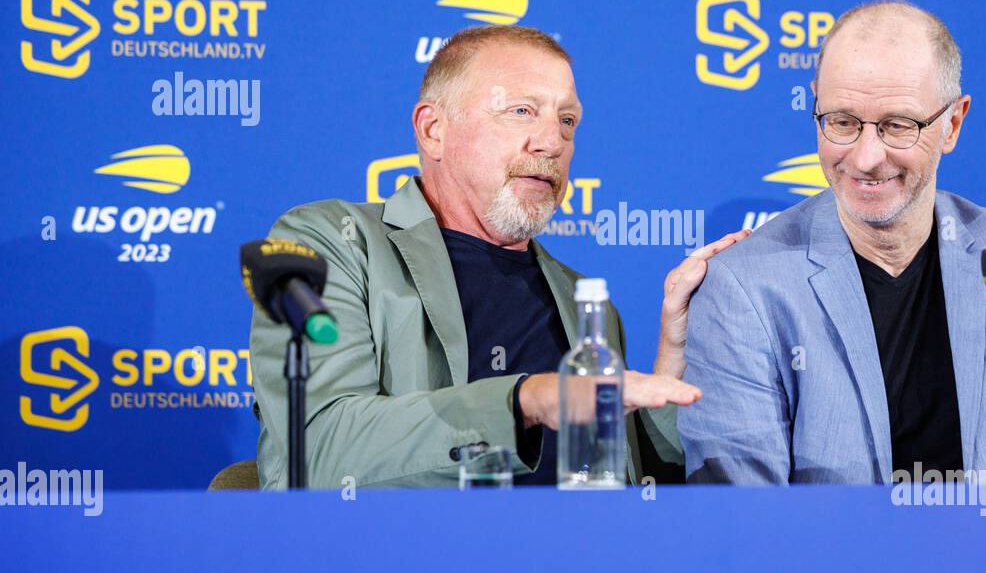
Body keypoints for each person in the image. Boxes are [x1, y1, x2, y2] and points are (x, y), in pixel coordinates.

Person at [249, 25, 745, 488]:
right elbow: (315, 448)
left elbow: (640, 481)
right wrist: (527, 400)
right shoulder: (332, 243)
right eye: (521, 111)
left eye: (567, 120)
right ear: (433, 130)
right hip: (401, 566)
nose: (552, 142)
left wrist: (673, 360)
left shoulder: (584, 303)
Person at [678, 0, 986, 484]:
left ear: (953, 124)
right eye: (843, 121)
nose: (866, 157)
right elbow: (745, 516)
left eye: (898, 125)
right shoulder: (746, 288)